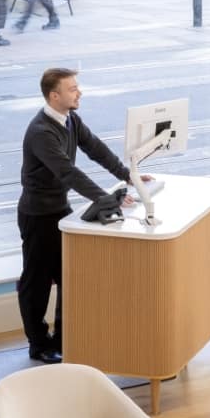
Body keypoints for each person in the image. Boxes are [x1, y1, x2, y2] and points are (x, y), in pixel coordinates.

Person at [16, 68, 137, 363]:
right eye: (72, 89)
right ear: (54, 95)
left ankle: (63, 339)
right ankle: (38, 344)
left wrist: (128, 176)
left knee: (70, 277)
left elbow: (95, 148)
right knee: (37, 282)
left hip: (59, 211)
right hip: (37, 215)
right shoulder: (41, 132)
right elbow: (67, 172)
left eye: (77, 87)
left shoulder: (71, 120)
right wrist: (106, 199)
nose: (79, 92)